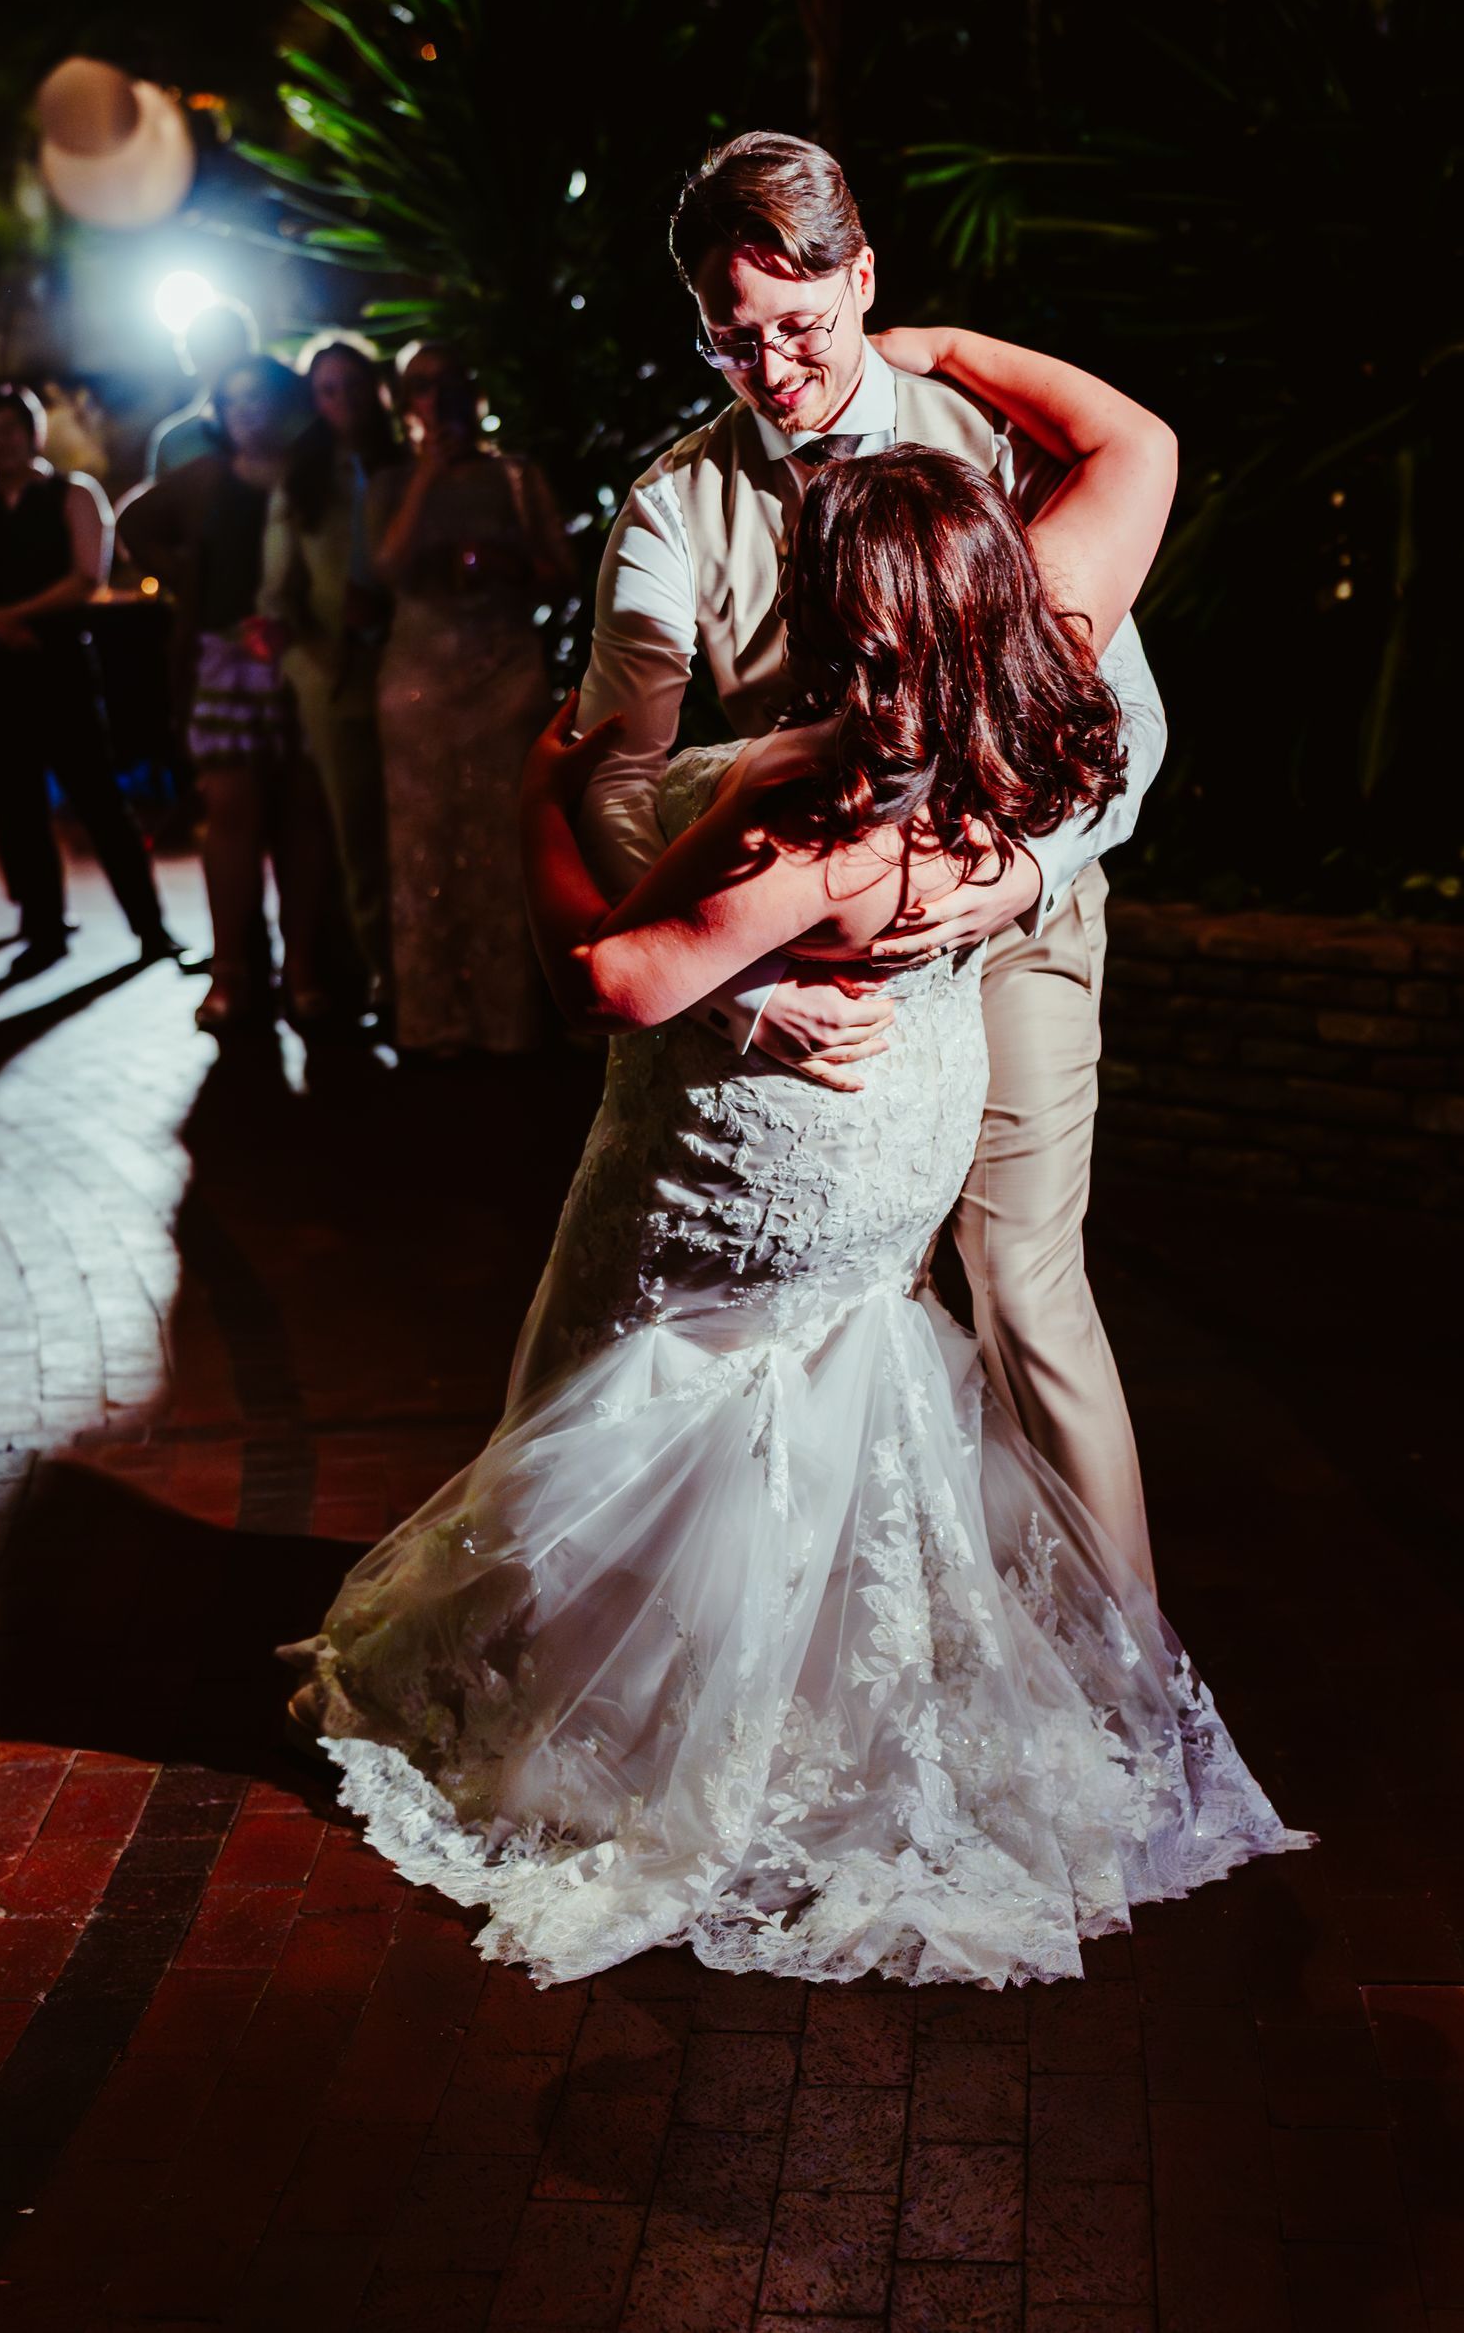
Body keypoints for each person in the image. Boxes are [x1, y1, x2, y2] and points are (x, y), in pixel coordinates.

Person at [284, 435, 1310, 1990]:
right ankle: (830, 1685)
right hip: (904, 1127)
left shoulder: (833, 809)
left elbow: (615, 979)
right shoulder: (1038, 736)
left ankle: (660, 1728)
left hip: (766, 1151)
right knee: (839, 1395)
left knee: (651, 1391)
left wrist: (543, 804)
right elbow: (1141, 456)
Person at [571, 133, 1167, 1600]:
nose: (772, 368)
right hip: (816, 942)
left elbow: (1125, 720)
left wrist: (1022, 873)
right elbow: (616, 768)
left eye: (801, 325)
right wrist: (735, 986)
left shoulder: (991, 445)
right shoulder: (673, 504)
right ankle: (850, 1638)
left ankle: (1122, 1641)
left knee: (1023, 1279)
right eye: (731, 336)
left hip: (1013, 919)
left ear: (865, 276)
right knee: (839, 1306)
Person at [366, 348, 574, 1055]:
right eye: (422, 387)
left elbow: (563, 573)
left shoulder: (517, 476)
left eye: (450, 384)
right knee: (421, 847)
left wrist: (506, 563)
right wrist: (427, 475)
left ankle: (507, 1020)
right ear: (405, 403)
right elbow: (385, 567)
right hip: (417, 679)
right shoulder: (392, 480)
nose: (438, 399)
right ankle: (431, 1021)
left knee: (501, 843)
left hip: (504, 672)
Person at [117, 353, 332, 1033]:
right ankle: (231, 971)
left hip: (304, 659)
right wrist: (187, 576)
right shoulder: (209, 475)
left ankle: (303, 971)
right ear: (222, 412)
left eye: (260, 400)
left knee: (302, 818)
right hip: (229, 661)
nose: (249, 413)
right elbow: (134, 527)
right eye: (235, 402)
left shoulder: (314, 475)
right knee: (232, 817)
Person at [0, 383, 180, 976]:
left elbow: (84, 576)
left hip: (60, 665)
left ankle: (151, 928)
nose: (2, 442)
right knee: (15, 806)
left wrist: (11, 618)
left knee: (99, 799)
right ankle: (42, 930)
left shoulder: (74, 492)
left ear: (34, 433)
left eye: (11, 429)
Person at [257, 333, 398, 1019]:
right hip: (333, 667)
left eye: (351, 384)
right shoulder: (305, 474)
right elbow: (278, 589)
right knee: (357, 829)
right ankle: (381, 976)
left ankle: (423, 975)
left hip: (410, 656)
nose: (341, 399)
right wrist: (306, 656)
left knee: (416, 821)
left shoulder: (403, 460)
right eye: (326, 389)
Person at [145, 299, 259, 478]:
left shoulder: (273, 421)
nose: (220, 358)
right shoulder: (174, 441)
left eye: (227, 344)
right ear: (192, 357)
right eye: (208, 348)